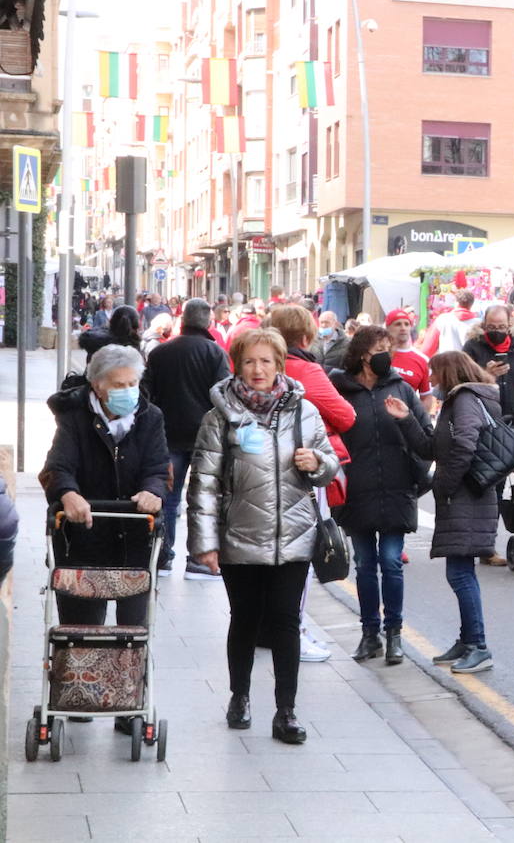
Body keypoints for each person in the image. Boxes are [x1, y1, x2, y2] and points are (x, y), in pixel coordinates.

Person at [187, 329, 339, 745]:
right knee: (246, 621)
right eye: (250, 361)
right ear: (237, 363)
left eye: (266, 361)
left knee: (287, 622)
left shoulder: (304, 412)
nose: (258, 370)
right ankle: (240, 696)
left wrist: (318, 462)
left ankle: (286, 710)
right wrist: (204, 543)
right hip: (240, 535)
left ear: (280, 365)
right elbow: (202, 483)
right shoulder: (219, 416)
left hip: (294, 535)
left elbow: (330, 465)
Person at [40, 345, 169, 734]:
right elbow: (57, 467)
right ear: (98, 386)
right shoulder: (75, 417)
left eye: (133, 383)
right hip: (85, 536)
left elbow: (159, 468)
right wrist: (68, 493)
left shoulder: (150, 417)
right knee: (82, 627)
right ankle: (79, 695)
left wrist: (151, 491)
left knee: (133, 630)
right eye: (118, 384)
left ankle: (130, 705)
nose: (128, 391)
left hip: (134, 538)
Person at [329, 325, 435, 665]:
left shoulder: (403, 390)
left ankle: (394, 634)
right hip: (356, 490)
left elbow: (427, 443)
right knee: (363, 565)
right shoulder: (340, 390)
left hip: (397, 488)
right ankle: (369, 633)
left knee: (391, 562)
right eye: (381, 348)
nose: (387, 354)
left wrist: (405, 420)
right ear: (363, 354)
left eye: (389, 347)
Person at [266, 304, 358, 663]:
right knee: (301, 554)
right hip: (302, 470)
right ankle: (293, 632)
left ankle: (268, 628)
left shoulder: (251, 366)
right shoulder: (307, 369)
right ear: (305, 337)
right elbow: (345, 416)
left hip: (258, 472)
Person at [425, 350, 503, 674]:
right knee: (459, 571)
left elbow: (466, 443)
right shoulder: (463, 398)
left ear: (448, 373)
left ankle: (478, 646)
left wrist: (446, 482)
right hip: (467, 496)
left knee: (460, 573)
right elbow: (436, 446)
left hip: (467, 497)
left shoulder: (465, 398)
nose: (431, 381)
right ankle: (467, 640)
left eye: (434, 374)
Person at [144, 298, 231, 579]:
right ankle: (198, 559)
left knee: (168, 498)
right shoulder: (215, 353)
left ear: (183, 322)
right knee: (202, 499)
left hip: (167, 436)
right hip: (205, 438)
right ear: (208, 322)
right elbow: (224, 396)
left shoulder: (160, 353)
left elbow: (147, 395)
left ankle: (163, 556)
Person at [463, 305, 514, 425]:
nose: (497, 331)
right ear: (484, 325)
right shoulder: (472, 347)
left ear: (509, 326)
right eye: (491, 327)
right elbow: (461, 383)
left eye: (501, 327)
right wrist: (486, 375)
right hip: (482, 419)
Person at [384, 308, 434, 411]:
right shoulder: (379, 354)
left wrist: (419, 421)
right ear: (388, 328)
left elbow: (426, 397)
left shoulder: (422, 360)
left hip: (406, 421)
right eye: (398, 324)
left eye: (407, 324)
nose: (403, 328)